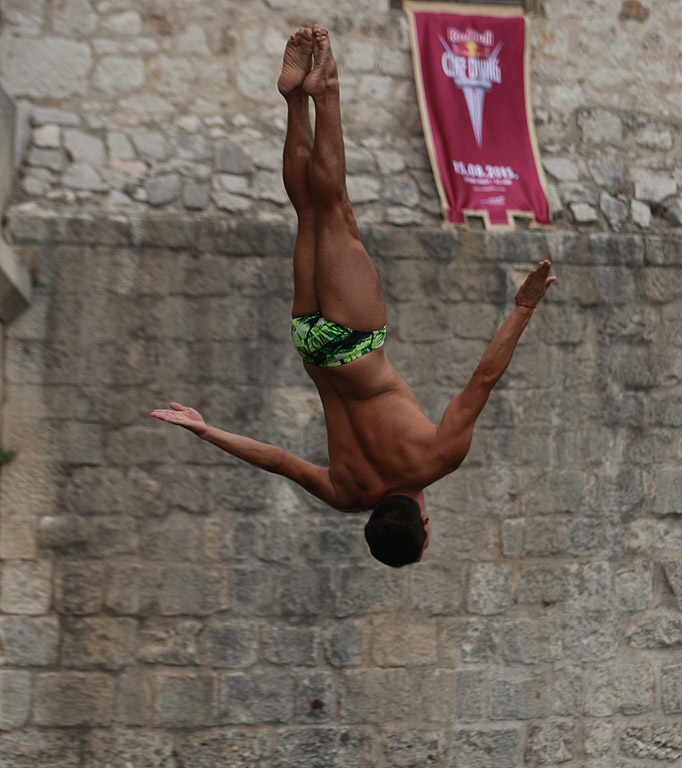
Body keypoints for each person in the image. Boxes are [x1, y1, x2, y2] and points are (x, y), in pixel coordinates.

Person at [151, 25, 556, 567]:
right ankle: (296, 98)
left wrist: (523, 309)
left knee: (335, 207)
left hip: (356, 338)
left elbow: (483, 379)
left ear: (425, 523)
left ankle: (327, 88)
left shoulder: (439, 457)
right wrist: (206, 431)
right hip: (313, 345)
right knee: (308, 214)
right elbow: (276, 461)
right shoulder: (346, 495)